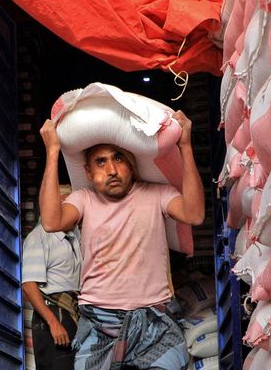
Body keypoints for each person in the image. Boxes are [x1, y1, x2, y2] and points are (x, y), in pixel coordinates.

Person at [38, 111, 205, 370]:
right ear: (88, 172)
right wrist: (52, 152)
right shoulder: (84, 199)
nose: (112, 170)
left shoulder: (157, 194)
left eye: (119, 158)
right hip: (100, 322)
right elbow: (51, 222)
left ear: (132, 164)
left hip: (155, 320)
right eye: (101, 162)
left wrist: (185, 146)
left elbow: (194, 214)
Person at [22, 185, 82, 370]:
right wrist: (53, 324)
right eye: (71, 203)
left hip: (72, 314)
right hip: (53, 315)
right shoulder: (39, 237)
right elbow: (29, 285)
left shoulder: (73, 237)